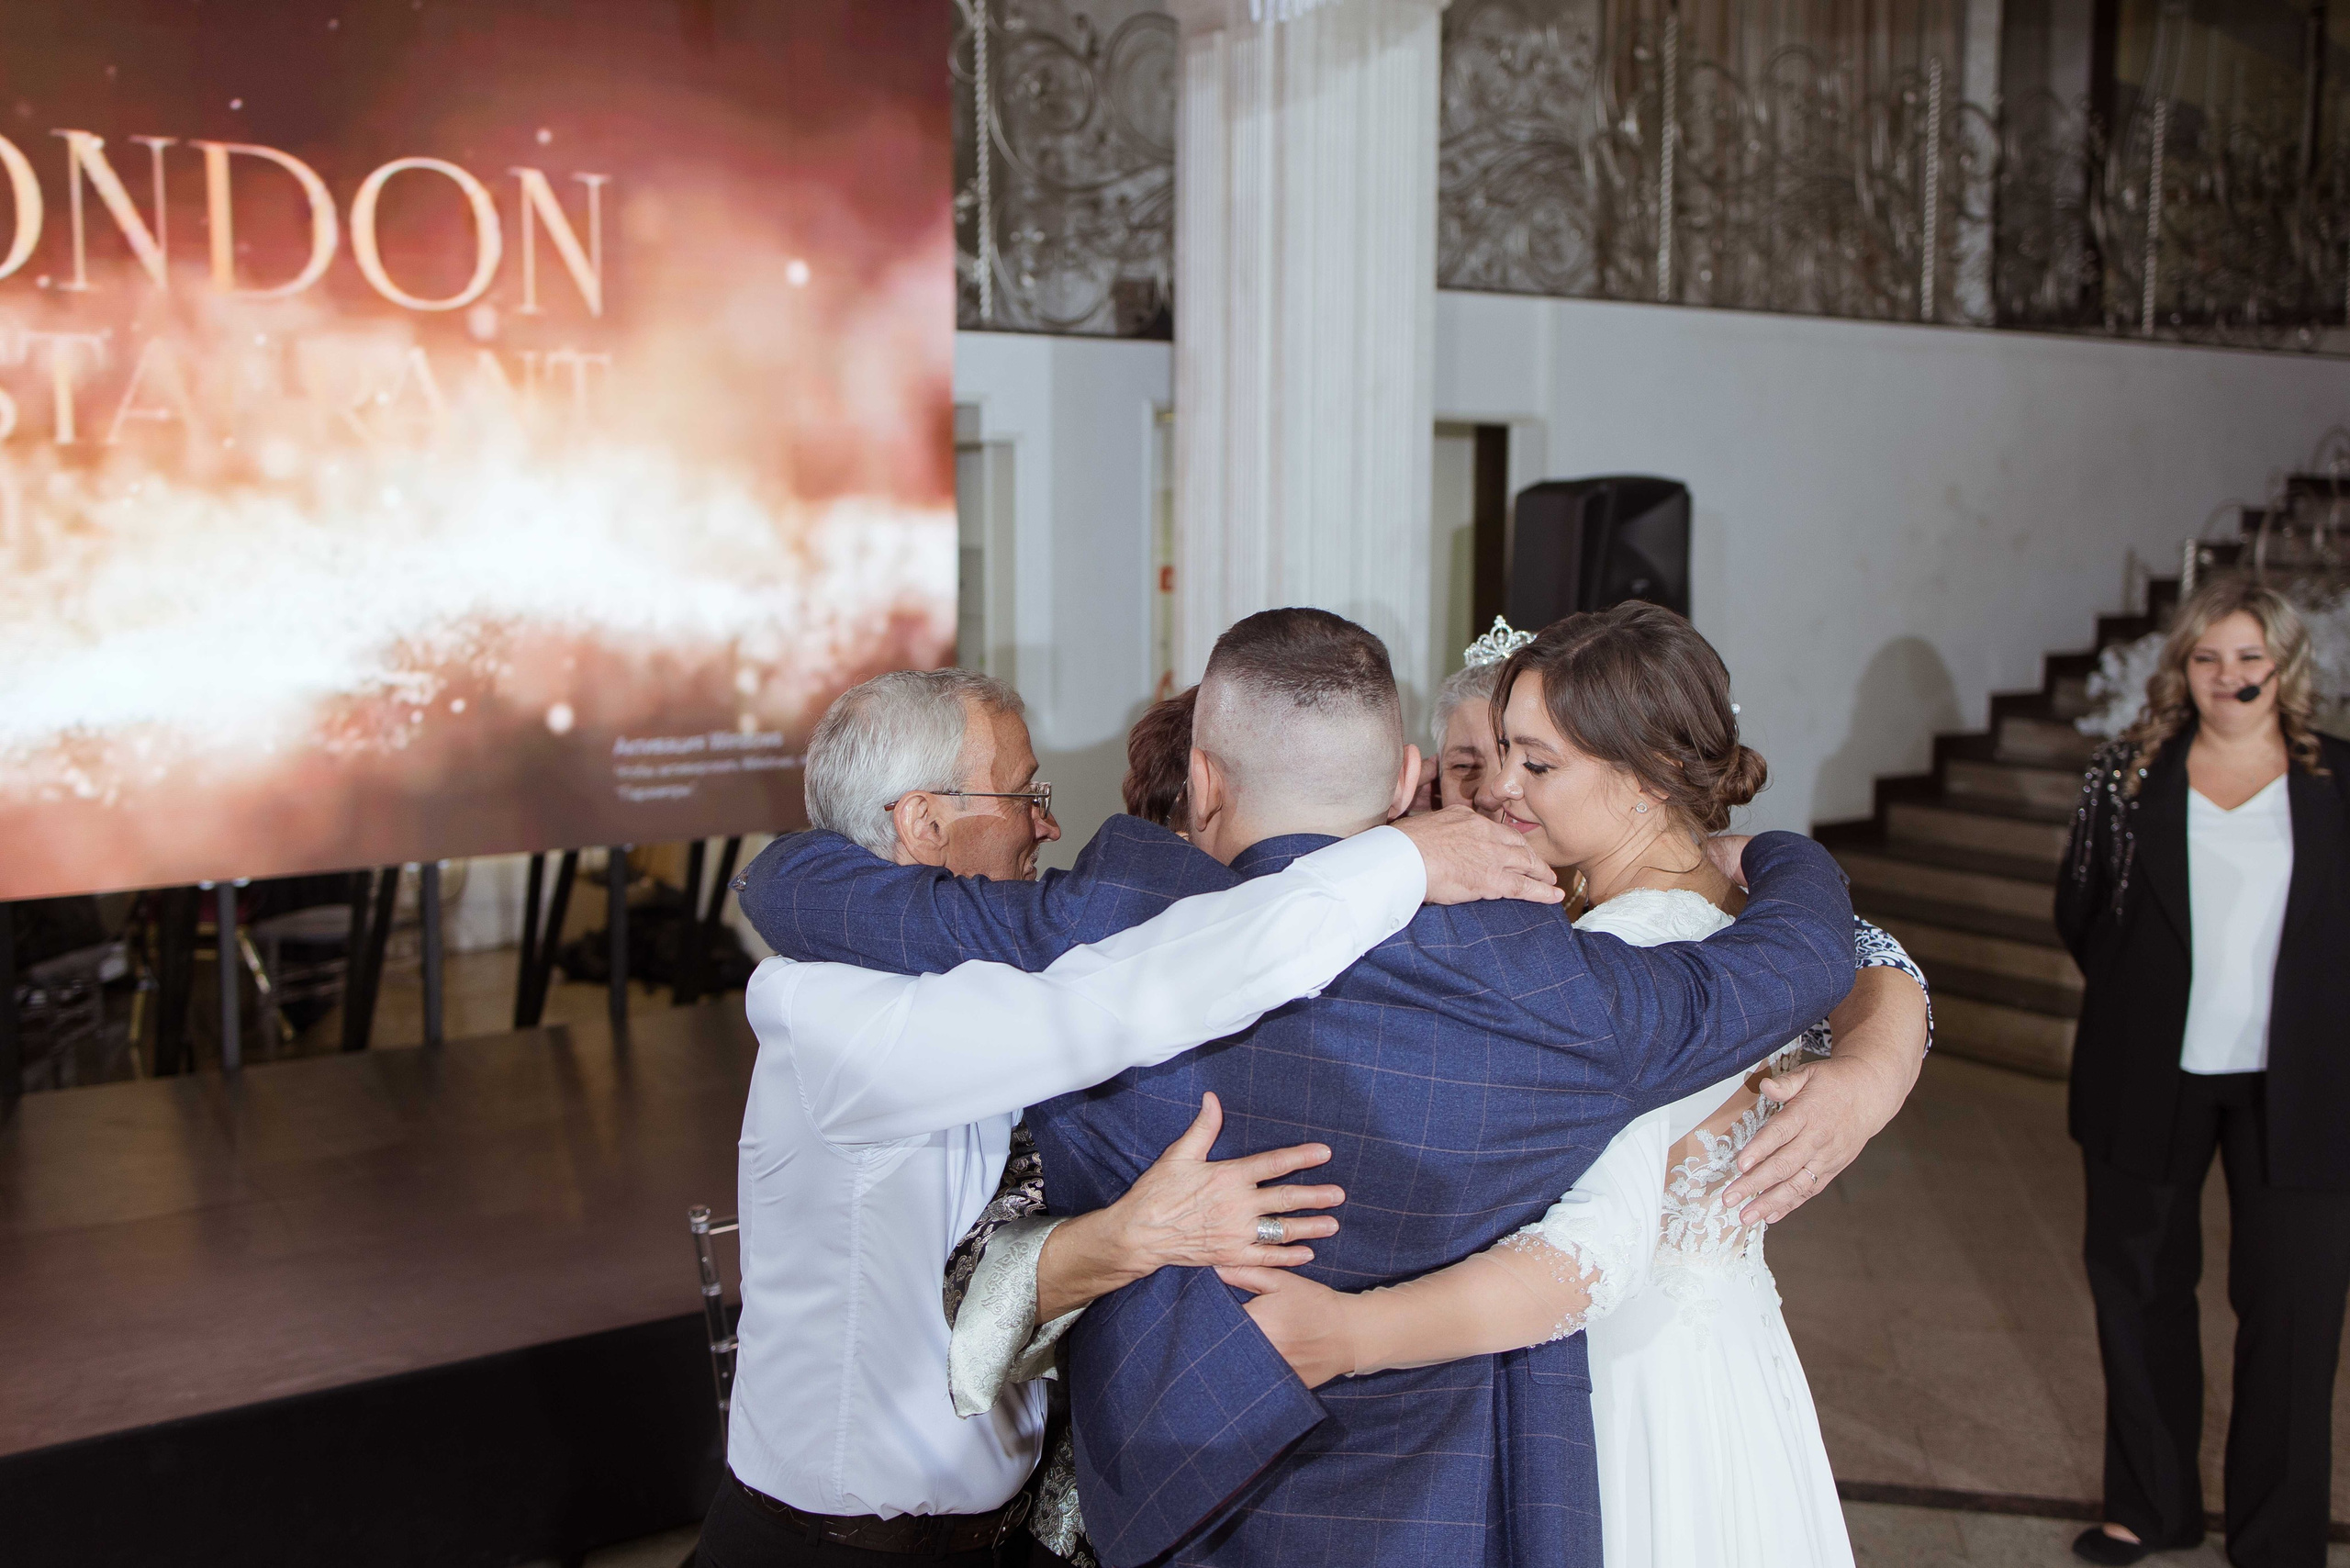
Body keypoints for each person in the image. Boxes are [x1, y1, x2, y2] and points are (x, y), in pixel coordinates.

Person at [738, 607, 1867, 1568]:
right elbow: (1795, 966)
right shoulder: (1570, 998)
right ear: (1411, 781)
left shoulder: (1107, 926)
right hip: (1430, 1511)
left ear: (1203, 778)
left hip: (1164, 1486)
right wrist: (1778, 856)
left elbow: (812, 891)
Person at [705, 668, 1558, 1568]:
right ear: (924, 823)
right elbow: (1133, 993)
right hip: (835, 1551)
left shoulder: (968, 982)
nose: (1050, 822)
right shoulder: (842, 1018)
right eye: (1026, 793)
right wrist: (1401, 860)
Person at [1211, 604, 1930, 1568]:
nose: (1500, 787)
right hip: (1723, 1372)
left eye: (1537, 765)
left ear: (1644, 779)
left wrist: (1348, 1333)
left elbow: (1594, 1254)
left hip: (1622, 1394)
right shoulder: (1742, 913)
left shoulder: (1625, 954)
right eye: (1502, 751)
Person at [2057, 577, 2350, 1568]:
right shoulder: (2126, 774)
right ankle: (2148, 1506)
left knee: (2294, 1307)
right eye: (2208, 657)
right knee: (2137, 1289)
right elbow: (2081, 909)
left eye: (2249, 657)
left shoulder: (2339, 779)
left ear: (2284, 667)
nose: (2230, 676)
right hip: (2149, 1070)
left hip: (2303, 1082)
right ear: (2182, 669)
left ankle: (2278, 1535)